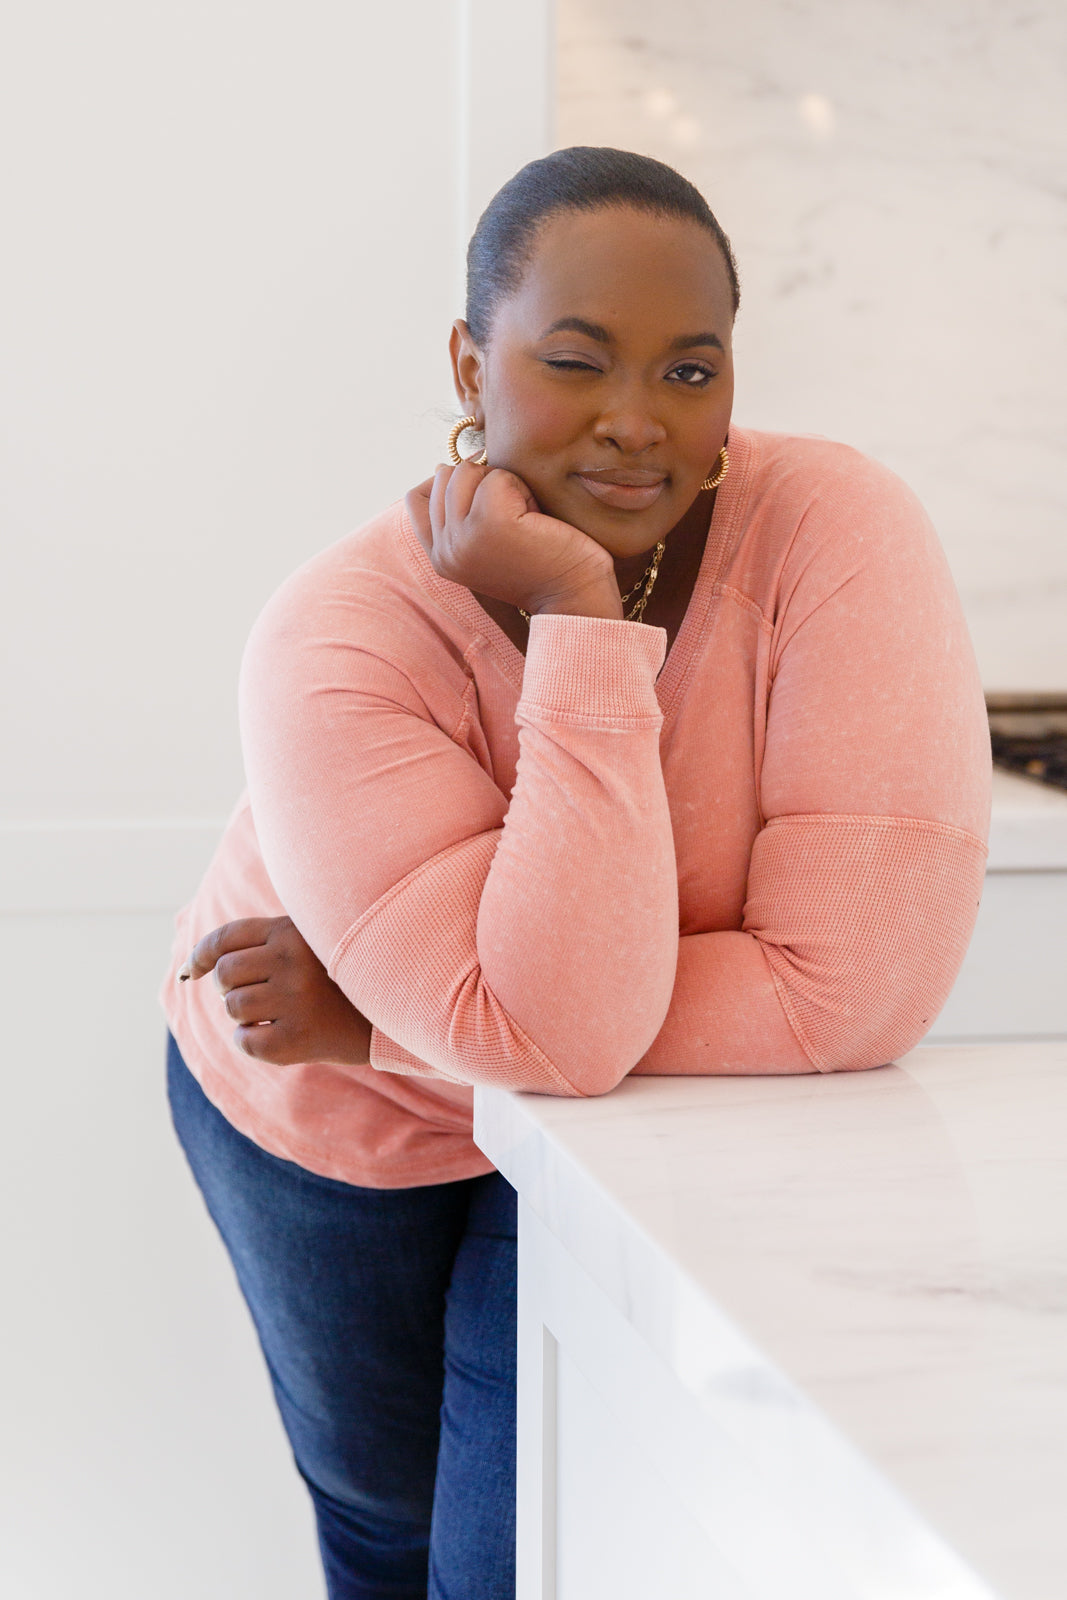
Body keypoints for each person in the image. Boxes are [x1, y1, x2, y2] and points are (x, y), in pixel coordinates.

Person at [161, 146, 991, 1599]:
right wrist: (462, 1029)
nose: (636, 425)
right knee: (382, 1513)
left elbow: (843, 994)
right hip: (322, 1107)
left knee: (507, 1557)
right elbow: (567, 1020)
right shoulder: (336, 634)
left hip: (549, 1097)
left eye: (691, 371)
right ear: (470, 364)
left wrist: (398, 1010)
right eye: (575, 361)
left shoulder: (836, 533)